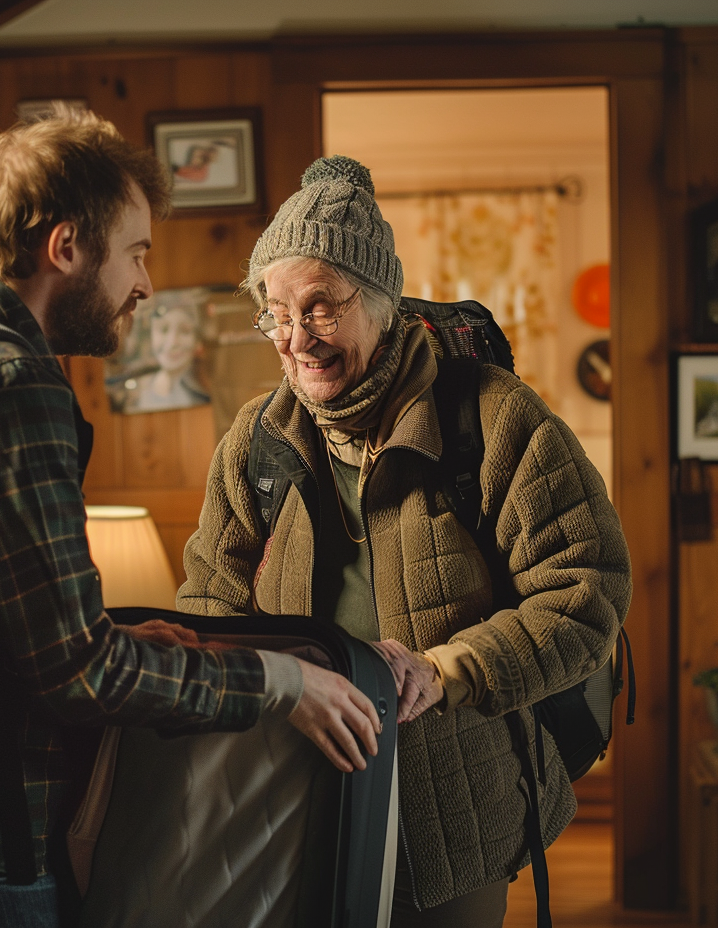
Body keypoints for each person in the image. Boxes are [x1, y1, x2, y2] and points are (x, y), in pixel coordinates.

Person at [0, 112, 383, 928]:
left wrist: (132, 642)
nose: (145, 282)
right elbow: (78, 675)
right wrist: (285, 683)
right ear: (66, 247)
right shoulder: (7, 384)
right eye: (137, 252)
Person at [178, 155, 633, 928]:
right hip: (291, 797)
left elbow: (585, 595)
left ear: (382, 302)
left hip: (454, 803)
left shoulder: (492, 418)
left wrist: (444, 670)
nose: (297, 339)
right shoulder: (252, 440)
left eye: (322, 307)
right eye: (276, 314)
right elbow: (208, 604)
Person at [122, 301, 210, 412]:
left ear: (198, 340)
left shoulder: (204, 391)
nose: (172, 342)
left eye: (184, 331)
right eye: (163, 329)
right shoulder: (134, 392)